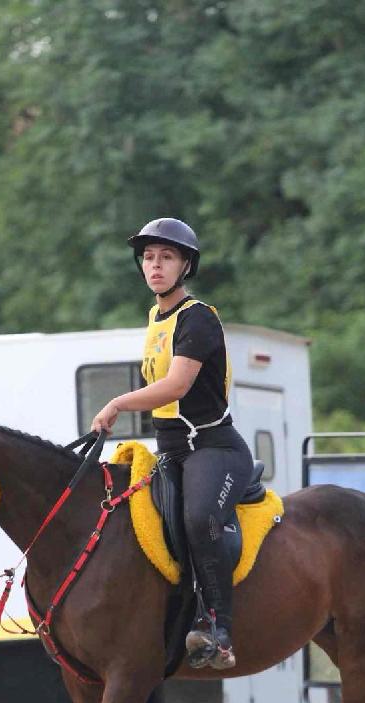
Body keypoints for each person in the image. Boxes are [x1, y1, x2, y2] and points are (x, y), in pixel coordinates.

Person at [91, 217, 254, 669]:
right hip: (173, 451)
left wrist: (118, 403)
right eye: (148, 257)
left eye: (166, 257)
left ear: (185, 266)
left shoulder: (197, 317)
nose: (155, 266)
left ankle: (219, 629)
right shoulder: (154, 318)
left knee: (199, 516)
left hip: (213, 447)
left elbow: (176, 386)